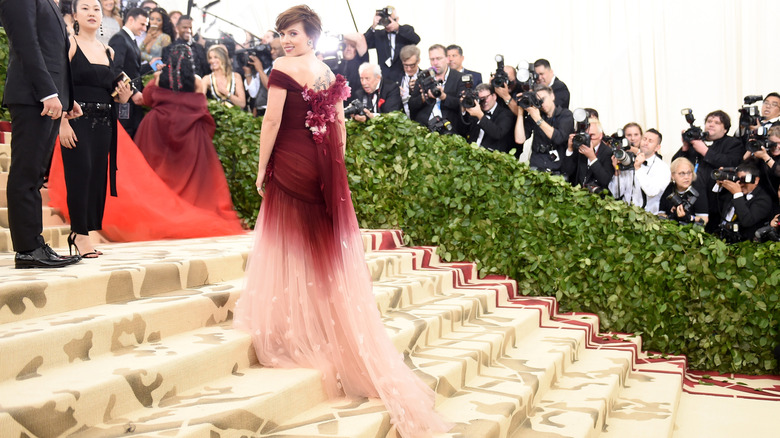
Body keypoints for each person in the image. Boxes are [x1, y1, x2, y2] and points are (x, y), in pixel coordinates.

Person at [232, 6, 451, 437]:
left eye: (293, 33)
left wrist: (261, 168)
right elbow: (339, 126)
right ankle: (319, 326)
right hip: (321, 167)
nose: (287, 40)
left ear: (310, 35)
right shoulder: (327, 73)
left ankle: (292, 327)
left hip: (292, 162)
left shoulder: (281, 67)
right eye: (283, 34)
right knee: (317, 249)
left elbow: (272, 120)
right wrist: (336, 164)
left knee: (286, 245)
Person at [0, 0, 83, 268]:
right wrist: (48, 92)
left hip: (46, 97)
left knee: (35, 175)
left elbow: (53, 52)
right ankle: (27, 249)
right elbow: (26, 43)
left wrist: (65, 99)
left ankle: (34, 245)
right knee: (26, 173)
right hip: (32, 96)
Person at [56, 0, 134, 257]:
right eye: (86, 8)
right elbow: (59, 85)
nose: (92, 13)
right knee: (80, 175)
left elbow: (115, 94)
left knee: (96, 178)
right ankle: (79, 234)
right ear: (74, 14)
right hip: (76, 119)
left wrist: (123, 97)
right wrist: (62, 123)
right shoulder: (69, 44)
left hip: (105, 122)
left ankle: (86, 230)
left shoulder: (108, 50)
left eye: (96, 9)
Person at [132, 44, 241, 224]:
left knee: (158, 171)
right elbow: (201, 107)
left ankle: (161, 211)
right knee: (188, 175)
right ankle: (186, 208)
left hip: (157, 129)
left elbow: (148, 99)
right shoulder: (197, 81)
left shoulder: (159, 78)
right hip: (190, 131)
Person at [672, 110, 744, 232]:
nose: (711, 124)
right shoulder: (696, 142)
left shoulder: (733, 143)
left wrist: (705, 151)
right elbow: (675, 165)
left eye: (717, 123)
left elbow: (731, 162)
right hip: (692, 203)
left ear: (725, 129)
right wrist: (685, 147)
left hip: (717, 203)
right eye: (709, 121)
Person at [108, 7, 151, 138]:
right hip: (124, 98)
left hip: (131, 101)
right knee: (124, 134)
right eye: (142, 24)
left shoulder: (129, 39)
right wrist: (134, 92)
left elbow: (133, 70)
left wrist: (151, 66)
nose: (144, 29)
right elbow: (116, 69)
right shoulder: (120, 39)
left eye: (146, 25)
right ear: (131, 20)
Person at [608, 129, 671, 214]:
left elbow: (652, 191)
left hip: (649, 218)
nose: (646, 143)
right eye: (644, 139)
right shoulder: (629, 160)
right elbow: (615, 193)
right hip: (625, 215)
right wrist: (617, 172)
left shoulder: (662, 167)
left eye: (650, 141)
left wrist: (638, 168)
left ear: (657, 147)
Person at [408, 44, 466, 135]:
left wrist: (444, 97)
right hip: (424, 128)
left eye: (439, 58)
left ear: (447, 59)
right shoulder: (423, 77)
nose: (435, 63)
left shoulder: (459, 78)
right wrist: (424, 97)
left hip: (450, 128)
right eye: (432, 59)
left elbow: (462, 105)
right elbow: (411, 105)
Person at [514, 85, 574, 172]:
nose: (541, 104)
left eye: (543, 99)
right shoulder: (536, 115)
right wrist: (520, 113)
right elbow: (520, 139)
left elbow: (559, 138)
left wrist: (538, 119)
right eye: (538, 101)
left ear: (552, 96)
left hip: (557, 168)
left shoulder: (565, 115)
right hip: (536, 165)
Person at [715, 159, 773, 242]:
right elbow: (713, 208)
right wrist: (719, 185)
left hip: (745, 244)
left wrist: (737, 195)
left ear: (756, 180)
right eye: (738, 179)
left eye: (744, 180)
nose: (740, 184)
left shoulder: (763, 199)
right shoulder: (732, 192)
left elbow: (747, 221)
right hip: (722, 239)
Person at [364, 6, 420, 85]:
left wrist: (398, 28)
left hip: (403, 76)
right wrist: (373, 26)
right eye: (386, 20)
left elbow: (416, 39)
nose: (388, 23)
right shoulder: (378, 34)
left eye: (391, 20)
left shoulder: (405, 30)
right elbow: (364, 44)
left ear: (397, 19)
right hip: (385, 78)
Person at [563, 113, 614, 192]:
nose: (588, 139)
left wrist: (592, 158)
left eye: (592, 135)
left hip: (598, 197)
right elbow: (567, 172)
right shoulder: (579, 149)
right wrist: (570, 149)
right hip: (577, 195)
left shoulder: (608, 152)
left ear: (600, 136)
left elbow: (605, 181)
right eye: (586, 135)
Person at [461, 83, 515, 152]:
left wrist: (480, 116)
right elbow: (464, 130)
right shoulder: (476, 110)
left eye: (485, 98)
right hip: (471, 153)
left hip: (492, 156)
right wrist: (463, 109)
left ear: (494, 96)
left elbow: (498, 133)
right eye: (480, 99)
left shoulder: (505, 114)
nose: (483, 101)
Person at [658, 157, 709, 225]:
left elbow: (704, 220)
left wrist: (688, 217)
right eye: (682, 173)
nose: (686, 177)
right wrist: (671, 217)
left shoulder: (697, 190)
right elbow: (661, 214)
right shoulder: (669, 189)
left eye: (689, 173)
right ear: (673, 175)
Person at [202, 44, 246, 109]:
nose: (212, 61)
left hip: (235, 116)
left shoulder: (236, 76)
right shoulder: (207, 79)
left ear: (223, 58)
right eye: (210, 58)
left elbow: (242, 104)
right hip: (216, 116)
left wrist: (226, 93)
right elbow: (200, 100)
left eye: (216, 57)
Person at [398, 44, 420, 118]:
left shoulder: (425, 77)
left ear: (418, 61)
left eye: (412, 65)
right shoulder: (395, 78)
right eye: (405, 65)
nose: (409, 69)